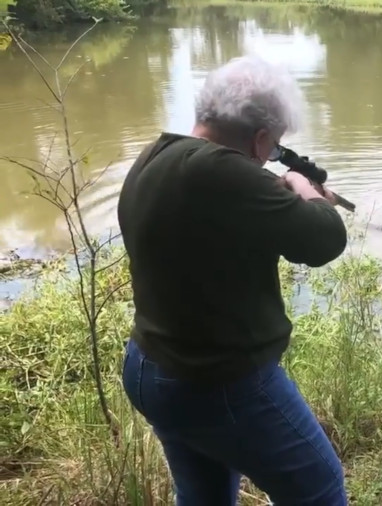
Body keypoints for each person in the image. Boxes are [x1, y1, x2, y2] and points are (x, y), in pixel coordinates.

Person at [117, 55, 349, 505]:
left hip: (151, 366)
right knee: (320, 489)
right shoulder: (225, 173)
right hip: (218, 381)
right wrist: (304, 190)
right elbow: (324, 240)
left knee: (204, 497)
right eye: (275, 144)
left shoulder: (156, 155)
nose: (271, 156)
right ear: (262, 139)